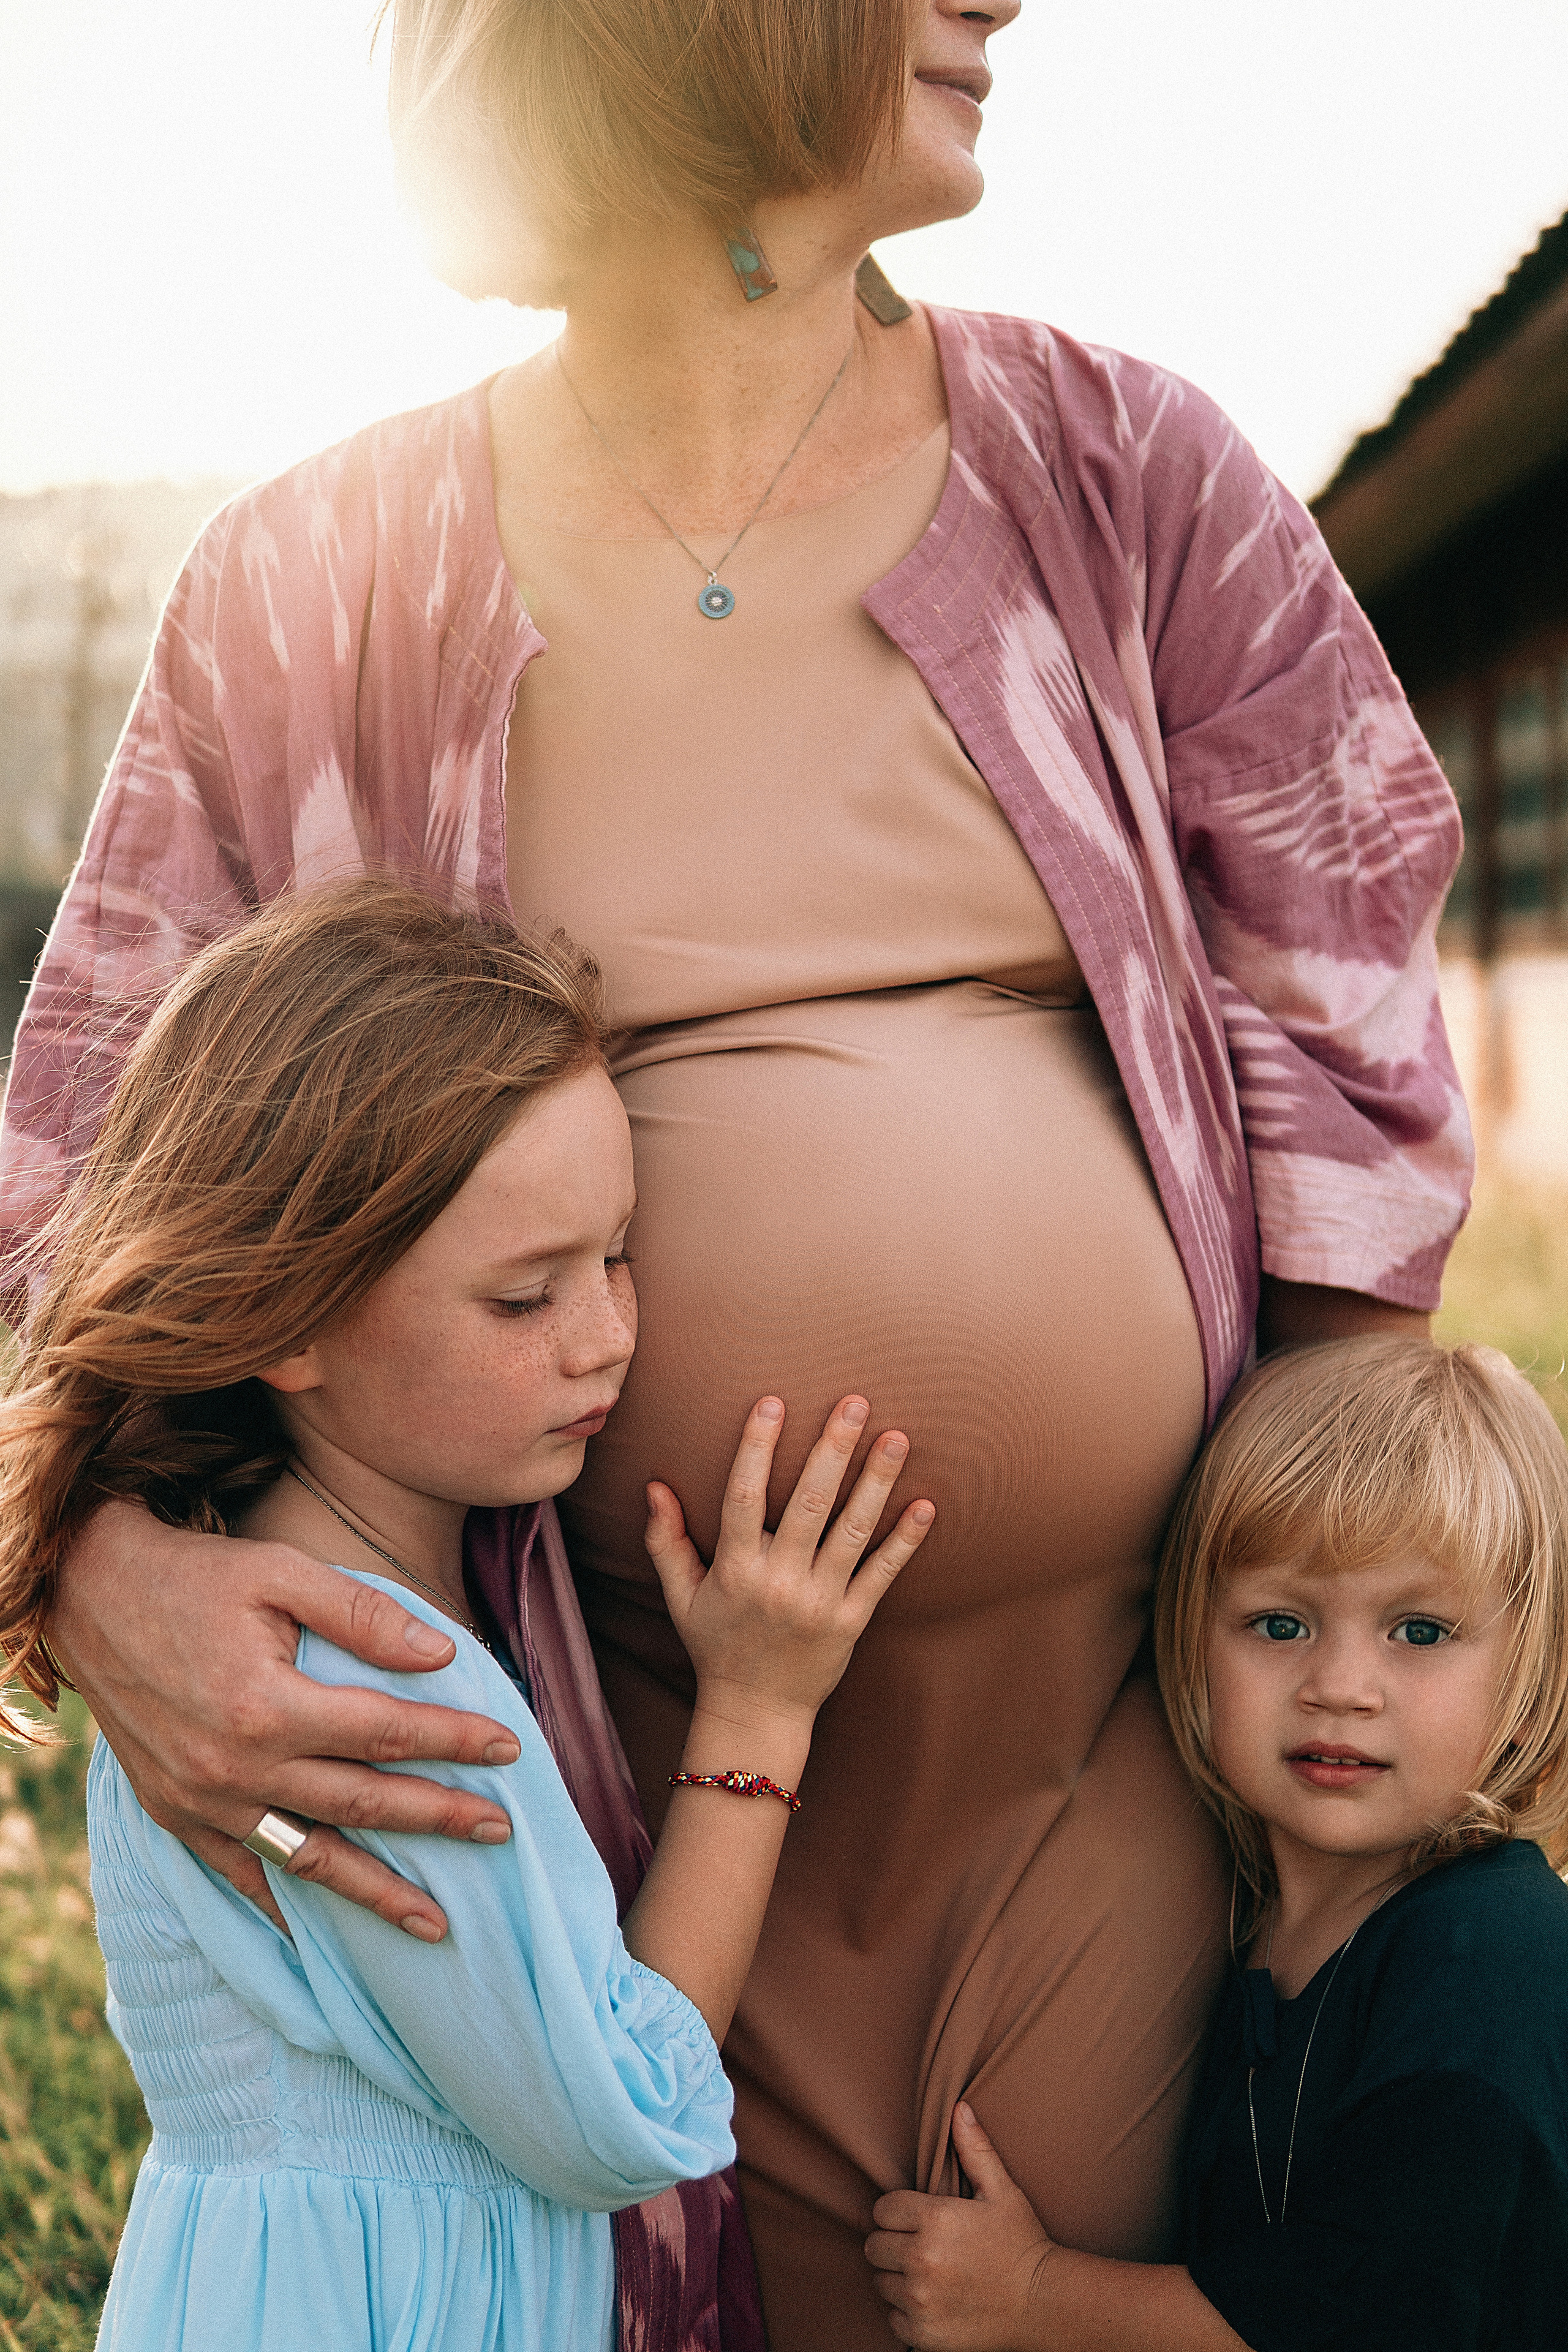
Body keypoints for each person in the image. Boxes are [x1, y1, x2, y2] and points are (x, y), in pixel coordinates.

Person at [0, 1, 1473, 2340]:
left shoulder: (1132, 476)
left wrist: (1339, 1640)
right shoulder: (311, 585)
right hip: (590, 1803)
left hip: (1093, 1762)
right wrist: (92, 1571)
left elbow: (1355, 1079)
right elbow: (69, 1186)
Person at [0, 881, 932, 2352]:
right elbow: (613, 2120)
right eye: (523, 1300)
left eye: (615, 1256)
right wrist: (758, 1712)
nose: (607, 1334)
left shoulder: (215, 1608)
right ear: (284, 1318)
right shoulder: (372, 1678)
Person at [863, 1337, 1568, 2351]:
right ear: (1196, 1638)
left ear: (1529, 1664)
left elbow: (1366, 2315)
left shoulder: (1497, 1955)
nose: (1340, 1686)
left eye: (1419, 1631)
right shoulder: (1254, 1917)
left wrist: (1030, 2295)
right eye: (1279, 1625)